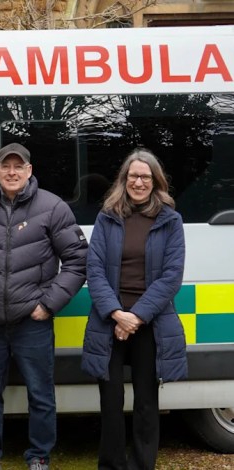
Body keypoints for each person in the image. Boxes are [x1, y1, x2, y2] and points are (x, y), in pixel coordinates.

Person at [0, 143, 88, 470]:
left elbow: (78, 261)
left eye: (18, 166)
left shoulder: (52, 208)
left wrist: (49, 305)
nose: (12, 172)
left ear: (29, 171)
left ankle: (39, 456)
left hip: (33, 322)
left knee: (40, 395)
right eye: (5, 166)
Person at [81, 148, 187, 470]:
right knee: (110, 403)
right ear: (124, 180)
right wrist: (117, 314)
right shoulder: (107, 216)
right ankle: (111, 465)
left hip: (149, 324)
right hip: (108, 321)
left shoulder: (170, 220)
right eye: (133, 176)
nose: (138, 182)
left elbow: (172, 276)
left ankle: (142, 465)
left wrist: (136, 317)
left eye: (145, 176)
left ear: (155, 182)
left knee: (146, 402)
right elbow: (94, 270)